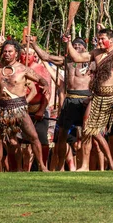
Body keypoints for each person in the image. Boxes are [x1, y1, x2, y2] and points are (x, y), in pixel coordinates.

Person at [65, 28, 113, 171]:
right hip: (98, 97)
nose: (99, 41)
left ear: (111, 39)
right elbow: (77, 58)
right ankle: (84, 166)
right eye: (98, 39)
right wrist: (68, 42)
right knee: (88, 131)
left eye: (102, 39)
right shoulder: (96, 53)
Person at [0, 39, 50, 173]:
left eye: (10, 52)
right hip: (1, 108)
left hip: (19, 108)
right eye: (5, 51)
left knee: (33, 136)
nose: (7, 54)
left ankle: (42, 166)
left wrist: (45, 84)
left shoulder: (23, 69)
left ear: (16, 54)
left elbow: (39, 78)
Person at [30, 37, 91, 171]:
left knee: (91, 134)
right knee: (62, 134)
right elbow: (45, 57)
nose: (76, 47)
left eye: (79, 46)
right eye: (74, 45)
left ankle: (89, 165)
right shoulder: (66, 61)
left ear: (85, 48)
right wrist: (33, 44)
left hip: (85, 99)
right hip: (70, 100)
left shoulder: (91, 62)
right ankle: (59, 166)